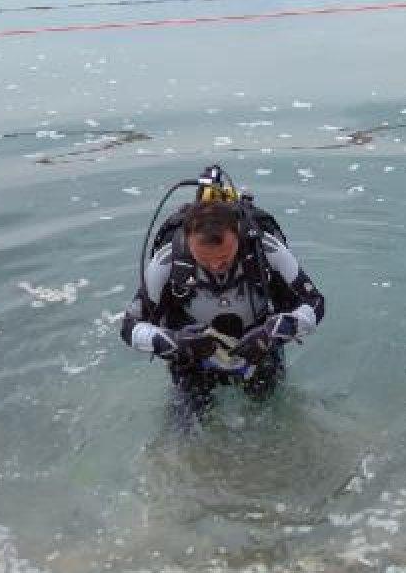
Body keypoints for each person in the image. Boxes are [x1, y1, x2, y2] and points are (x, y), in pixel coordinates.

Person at [120, 174, 325, 422]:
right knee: (185, 431)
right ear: (187, 241)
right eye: (205, 260)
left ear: (237, 235)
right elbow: (129, 327)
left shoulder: (265, 249)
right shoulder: (167, 260)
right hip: (192, 360)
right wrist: (175, 342)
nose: (217, 266)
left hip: (259, 350)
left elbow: (314, 303)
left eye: (225, 258)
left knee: (274, 421)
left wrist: (273, 332)